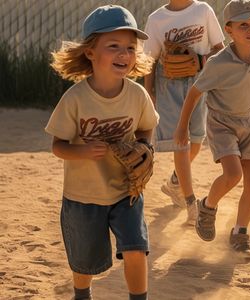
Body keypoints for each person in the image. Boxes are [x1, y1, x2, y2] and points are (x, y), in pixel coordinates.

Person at [46, 5, 159, 300]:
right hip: (83, 196)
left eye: (130, 47)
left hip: (126, 191)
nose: (124, 54)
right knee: (85, 261)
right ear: (91, 52)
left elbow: (147, 128)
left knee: (136, 249)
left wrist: (145, 146)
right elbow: (58, 147)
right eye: (113, 46)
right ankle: (81, 295)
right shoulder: (75, 99)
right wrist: (82, 151)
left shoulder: (137, 95)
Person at [174, 0, 250, 258]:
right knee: (233, 175)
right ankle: (207, 207)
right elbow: (195, 93)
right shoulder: (218, 63)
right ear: (229, 30)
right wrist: (182, 127)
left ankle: (240, 232)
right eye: (244, 25)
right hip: (222, 124)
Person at [143, 0, 225, 224]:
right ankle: (191, 203)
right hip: (168, 83)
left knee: (196, 141)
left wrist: (209, 64)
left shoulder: (203, 10)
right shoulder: (157, 19)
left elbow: (219, 47)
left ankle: (174, 183)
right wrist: (149, 91)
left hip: (200, 79)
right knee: (181, 142)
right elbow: (149, 60)